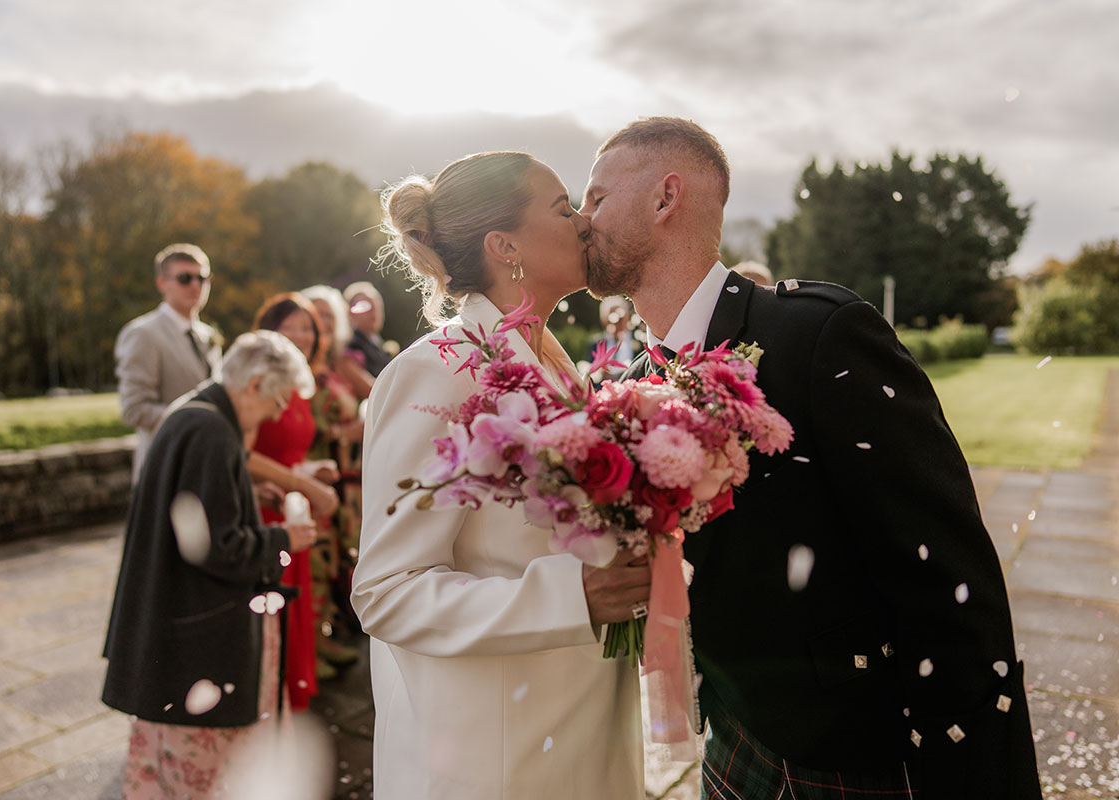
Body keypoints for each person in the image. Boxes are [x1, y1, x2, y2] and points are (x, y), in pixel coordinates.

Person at [581, 117, 1041, 799]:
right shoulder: (641, 378)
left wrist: (976, 773)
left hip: (852, 759)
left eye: (595, 198)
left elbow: (946, 570)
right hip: (733, 737)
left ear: (663, 197)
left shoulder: (818, 333)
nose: (581, 219)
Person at [352, 151, 649, 799]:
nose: (584, 221)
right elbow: (387, 589)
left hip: (581, 727)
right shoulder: (439, 371)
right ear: (504, 244)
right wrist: (577, 597)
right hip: (498, 755)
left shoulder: (557, 362)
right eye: (564, 207)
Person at [101, 330, 318, 799]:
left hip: (168, 621)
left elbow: (194, 508)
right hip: (197, 640)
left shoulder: (193, 412)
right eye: (279, 400)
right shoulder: (212, 433)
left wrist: (243, 492)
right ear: (256, 383)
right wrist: (285, 538)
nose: (280, 413)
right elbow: (216, 548)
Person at [249, 293, 340, 709]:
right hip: (264, 508)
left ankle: (291, 695)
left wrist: (311, 473)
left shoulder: (301, 384)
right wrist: (305, 483)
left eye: (308, 327)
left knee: (298, 598)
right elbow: (244, 454)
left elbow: (293, 455)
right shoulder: (258, 383)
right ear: (270, 329)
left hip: (294, 507)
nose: (301, 335)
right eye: (292, 327)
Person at [114, 243, 223, 480]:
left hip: (209, 466)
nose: (196, 285)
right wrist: (196, 419)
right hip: (165, 469)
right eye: (185, 278)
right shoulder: (143, 334)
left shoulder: (207, 335)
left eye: (203, 278)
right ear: (161, 283)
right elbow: (134, 410)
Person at [301, 284, 367, 668]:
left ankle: (326, 632)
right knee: (314, 556)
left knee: (340, 555)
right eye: (316, 314)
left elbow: (377, 394)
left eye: (330, 315)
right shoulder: (300, 366)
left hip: (348, 476)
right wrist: (344, 432)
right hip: (314, 471)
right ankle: (311, 648)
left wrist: (358, 420)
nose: (322, 322)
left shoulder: (341, 363)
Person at [343, 280, 394, 380]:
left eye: (377, 306)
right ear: (350, 313)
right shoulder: (352, 348)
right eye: (365, 307)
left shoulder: (377, 343)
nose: (374, 312)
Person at [587, 295, 642, 381]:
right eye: (611, 316)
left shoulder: (639, 341)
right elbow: (589, 371)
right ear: (604, 319)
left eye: (620, 317)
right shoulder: (596, 343)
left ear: (627, 316)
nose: (616, 321)